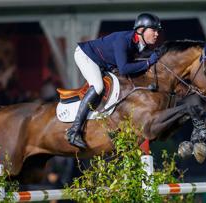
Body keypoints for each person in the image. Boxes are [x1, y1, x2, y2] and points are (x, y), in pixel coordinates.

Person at [66, 13, 162, 148]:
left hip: (104, 63)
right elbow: (123, 69)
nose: (157, 34)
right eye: (154, 30)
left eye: (158, 31)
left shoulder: (141, 44)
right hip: (86, 55)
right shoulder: (123, 40)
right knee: (98, 86)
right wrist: (147, 64)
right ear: (141, 30)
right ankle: (74, 131)